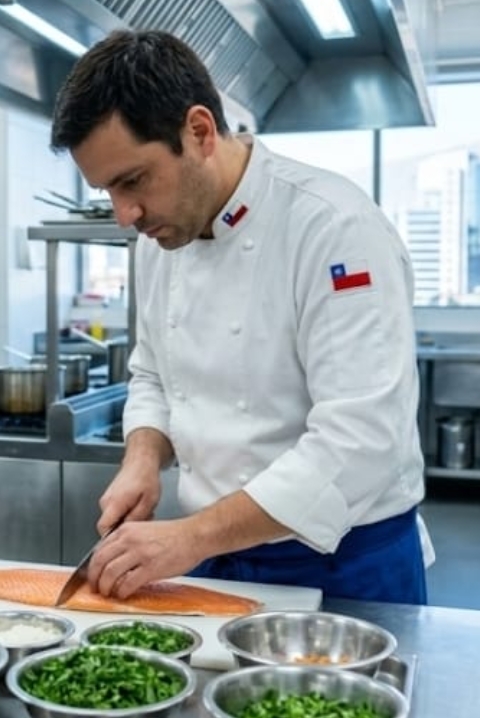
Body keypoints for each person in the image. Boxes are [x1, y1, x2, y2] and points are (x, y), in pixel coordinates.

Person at [50, 29, 432, 605]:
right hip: (214, 559)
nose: (124, 215)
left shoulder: (334, 229)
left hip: (344, 565)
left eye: (132, 180)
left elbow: (361, 443)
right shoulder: (157, 243)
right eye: (107, 190)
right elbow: (153, 371)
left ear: (199, 131)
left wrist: (191, 537)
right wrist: (143, 459)